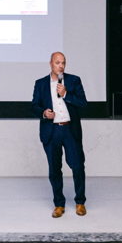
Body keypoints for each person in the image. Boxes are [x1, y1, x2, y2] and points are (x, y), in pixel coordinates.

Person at [30, 52, 87, 217]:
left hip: (70, 130)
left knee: (78, 166)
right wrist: (44, 113)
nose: (61, 66)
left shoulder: (74, 81)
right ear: (50, 63)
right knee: (54, 169)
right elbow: (34, 106)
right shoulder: (40, 83)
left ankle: (80, 202)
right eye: (57, 63)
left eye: (63, 63)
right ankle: (59, 204)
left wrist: (66, 94)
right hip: (51, 131)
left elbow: (83, 103)